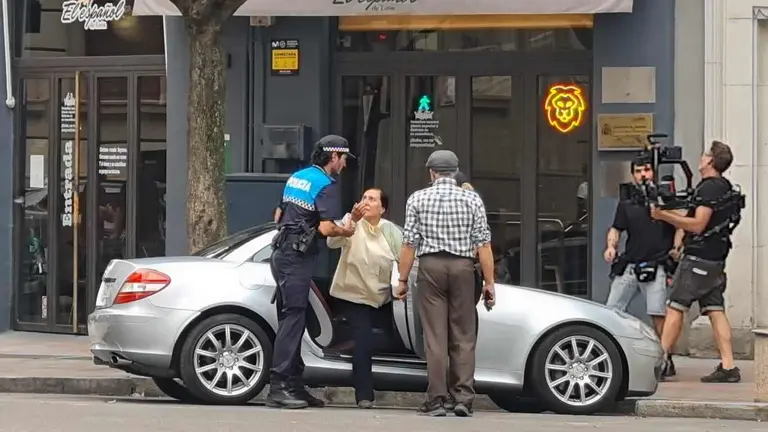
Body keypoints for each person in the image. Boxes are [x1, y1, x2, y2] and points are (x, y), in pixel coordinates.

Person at [394, 150, 495, 418]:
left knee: (435, 336)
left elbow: (409, 244)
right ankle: (463, 398)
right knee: (463, 335)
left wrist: (402, 279)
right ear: (455, 172)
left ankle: (437, 399)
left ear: (432, 172)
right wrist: (489, 282)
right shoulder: (472, 198)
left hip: (430, 268)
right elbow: (484, 244)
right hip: (463, 268)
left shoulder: (417, 198)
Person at [267, 135, 361, 409]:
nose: (344, 164)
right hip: (296, 257)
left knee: (293, 319)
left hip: (282, 253)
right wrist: (347, 230)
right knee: (293, 321)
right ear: (334, 156)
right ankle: (279, 387)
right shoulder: (325, 184)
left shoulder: (297, 177)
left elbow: (277, 215)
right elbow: (326, 227)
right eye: (343, 159)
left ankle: (294, 386)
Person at [650, 140, 742, 383]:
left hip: (698, 258)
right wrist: (668, 213)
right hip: (716, 259)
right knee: (715, 309)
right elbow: (697, 218)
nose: (700, 158)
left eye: (704, 155)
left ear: (710, 160)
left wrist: (663, 216)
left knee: (675, 307)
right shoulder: (725, 187)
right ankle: (729, 366)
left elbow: (698, 224)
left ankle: (660, 362)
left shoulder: (708, 188)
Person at [604, 156, 683, 377]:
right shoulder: (627, 203)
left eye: (646, 170)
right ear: (633, 175)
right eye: (638, 171)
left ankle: (665, 358)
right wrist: (611, 247)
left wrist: (677, 247)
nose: (643, 175)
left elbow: (680, 225)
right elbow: (616, 228)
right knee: (611, 311)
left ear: (653, 172)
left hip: (657, 265)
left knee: (657, 314)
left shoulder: (665, 198)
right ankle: (610, 355)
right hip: (630, 265)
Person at [327, 188, 402, 409]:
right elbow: (332, 242)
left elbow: (404, 258)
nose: (366, 202)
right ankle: (364, 395)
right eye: (364, 198)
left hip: (382, 298)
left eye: (372, 199)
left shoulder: (391, 231)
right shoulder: (351, 222)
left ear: (383, 208)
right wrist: (351, 220)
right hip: (353, 295)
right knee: (363, 340)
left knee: (395, 337)